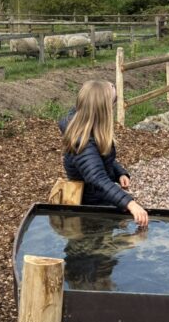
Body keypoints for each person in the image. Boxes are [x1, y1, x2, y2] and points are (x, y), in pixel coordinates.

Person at [60, 80, 149, 228]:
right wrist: (130, 203)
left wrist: (118, 172)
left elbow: (98, 159)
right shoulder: (82, 143)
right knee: (97, 249)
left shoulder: (85, 128)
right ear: (103, 110)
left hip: (97, 202)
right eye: (112, 104)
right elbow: (97, 179)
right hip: (88, 214)